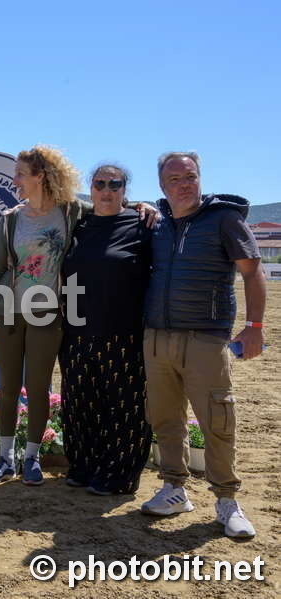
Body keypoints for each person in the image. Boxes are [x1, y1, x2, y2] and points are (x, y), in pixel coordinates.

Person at [140, 152, 265, 539]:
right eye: (174, 179)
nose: (184, 184)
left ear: (200, 178)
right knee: (165, 418)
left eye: (190, 176)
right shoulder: (157, 222)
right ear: (162, 185)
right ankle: (174, 489)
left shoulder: (224, 219)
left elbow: (252, 271)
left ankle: (227, 501)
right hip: (157, 337)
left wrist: (254, 327)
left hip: (206, 339)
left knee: (217, 420)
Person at [0, 146, 84, 486]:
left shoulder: (71, 212)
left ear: (41, 176)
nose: (15, 180)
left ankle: (32, 458)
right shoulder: (10, 218)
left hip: (48, 312)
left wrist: (141, 207)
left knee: (38, 387)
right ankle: (5, 459)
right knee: (8, 387)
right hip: (7, 312)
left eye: (21, 174)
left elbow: (110, 210)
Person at [58, 164, 152, 495]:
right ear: (91, 188)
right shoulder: (78, 224)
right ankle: (83, 467)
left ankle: (119, 475)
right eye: (100, 184)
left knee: (125, 407)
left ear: (125, 189)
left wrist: (145, 207)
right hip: (76, 331)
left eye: (115, 184)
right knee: (80, 404)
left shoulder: (142, 225)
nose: (107, 190)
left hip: (124, 334)